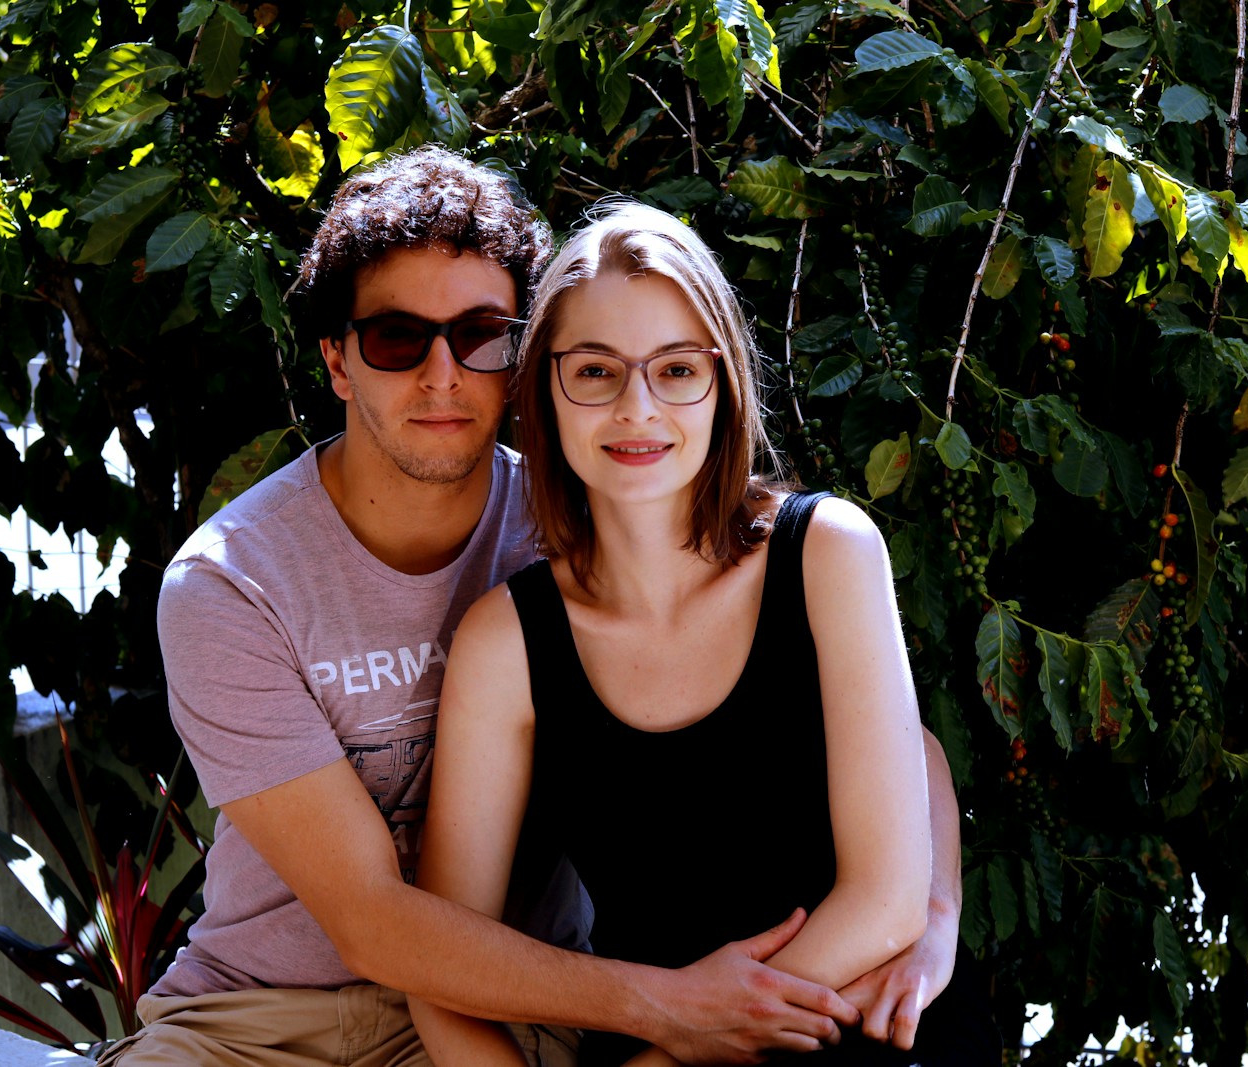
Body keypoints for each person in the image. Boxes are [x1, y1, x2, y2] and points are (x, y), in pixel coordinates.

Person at [103, 149, 861, 1067]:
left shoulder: (589, 515)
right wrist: (667, 1007)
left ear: (523, 359)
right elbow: (373, 923)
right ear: (338, 360)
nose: (442, 372)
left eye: (482, 334)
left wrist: (932, 908)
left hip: (520, 1003)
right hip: (263, 1021)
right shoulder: (233, 582)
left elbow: (862, 710)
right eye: (395, 338)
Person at [406, 201, 999, 1066]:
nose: (637, 408)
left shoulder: (827, 553)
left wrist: (674, 1054)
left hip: (874, 1032)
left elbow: (883, 896)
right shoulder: (507, 643)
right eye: (597, 372)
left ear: (722, 384)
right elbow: (446, 971)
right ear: (545, 390)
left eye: (677, 369)